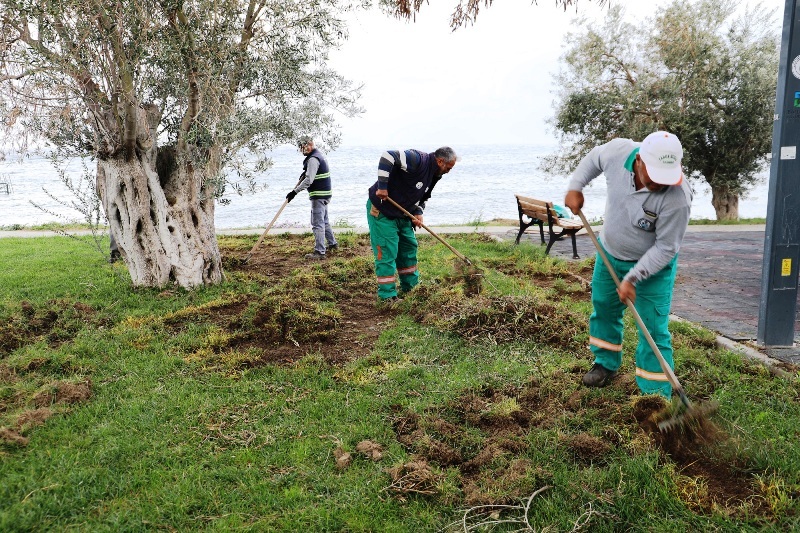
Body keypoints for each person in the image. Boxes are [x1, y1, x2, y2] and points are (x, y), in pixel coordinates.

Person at [563, 131, 692, 398]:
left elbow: (666, 247)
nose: (660, 184)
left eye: (666, 176)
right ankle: (605, 364)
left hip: (653, 268)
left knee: (653, 327)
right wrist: (576, 186)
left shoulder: (678, 197)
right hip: (610, 253)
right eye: (655, 175)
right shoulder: (618, 152)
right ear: (640, 160)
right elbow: (593, 158)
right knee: (605, 309)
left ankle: (655, 392)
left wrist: (632, 278)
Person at [366, 146, 457, 303]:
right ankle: (387, 296)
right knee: (387, 251)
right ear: (440, 161)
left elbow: (423, 197)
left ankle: (411, 288)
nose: (449, 171)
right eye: (448, 168)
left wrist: (419, 212)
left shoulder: (435, 174)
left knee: (408, 248)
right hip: (383, 211)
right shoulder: (417, 160)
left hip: (403, 214)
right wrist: (382, 186)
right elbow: (388, 156)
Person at [285, 136, 337, 260]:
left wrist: (294, 192)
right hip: (325, 194)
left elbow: (309, 180)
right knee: (324, 221)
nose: (305, 148)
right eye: (302, 147)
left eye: (307, 145)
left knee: (317, 223)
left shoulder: (313, 159)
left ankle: (320, 252)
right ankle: (333, 244)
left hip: (319, 195)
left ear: (312, 144)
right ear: (300, 149)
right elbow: (312, 173)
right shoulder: (318, 155)